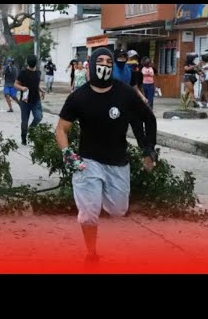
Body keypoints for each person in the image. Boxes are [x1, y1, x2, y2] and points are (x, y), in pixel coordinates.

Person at [55, 47, 157, 264]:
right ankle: (91, 252)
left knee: (119, 210)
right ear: (91, 65)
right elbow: (61, 129)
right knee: (89, 214)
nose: (105, 64)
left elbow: (148, 119)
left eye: (108, 61)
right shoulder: (78, 97)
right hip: (87, 161)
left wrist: (148, 150)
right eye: (99, 60)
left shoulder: (125, 93)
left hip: (117, 162)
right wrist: (67, 153)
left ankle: (97, 197)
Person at [14, 54, 45, 146]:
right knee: (25, 121)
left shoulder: (38, 73)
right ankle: (24, 138)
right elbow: (15, 85)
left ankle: (30, 130)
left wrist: (41, 90)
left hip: (36, 100)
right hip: (25, 101)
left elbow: (36, 85)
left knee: (38, 117)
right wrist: (22, 88)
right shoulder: (23, 73)